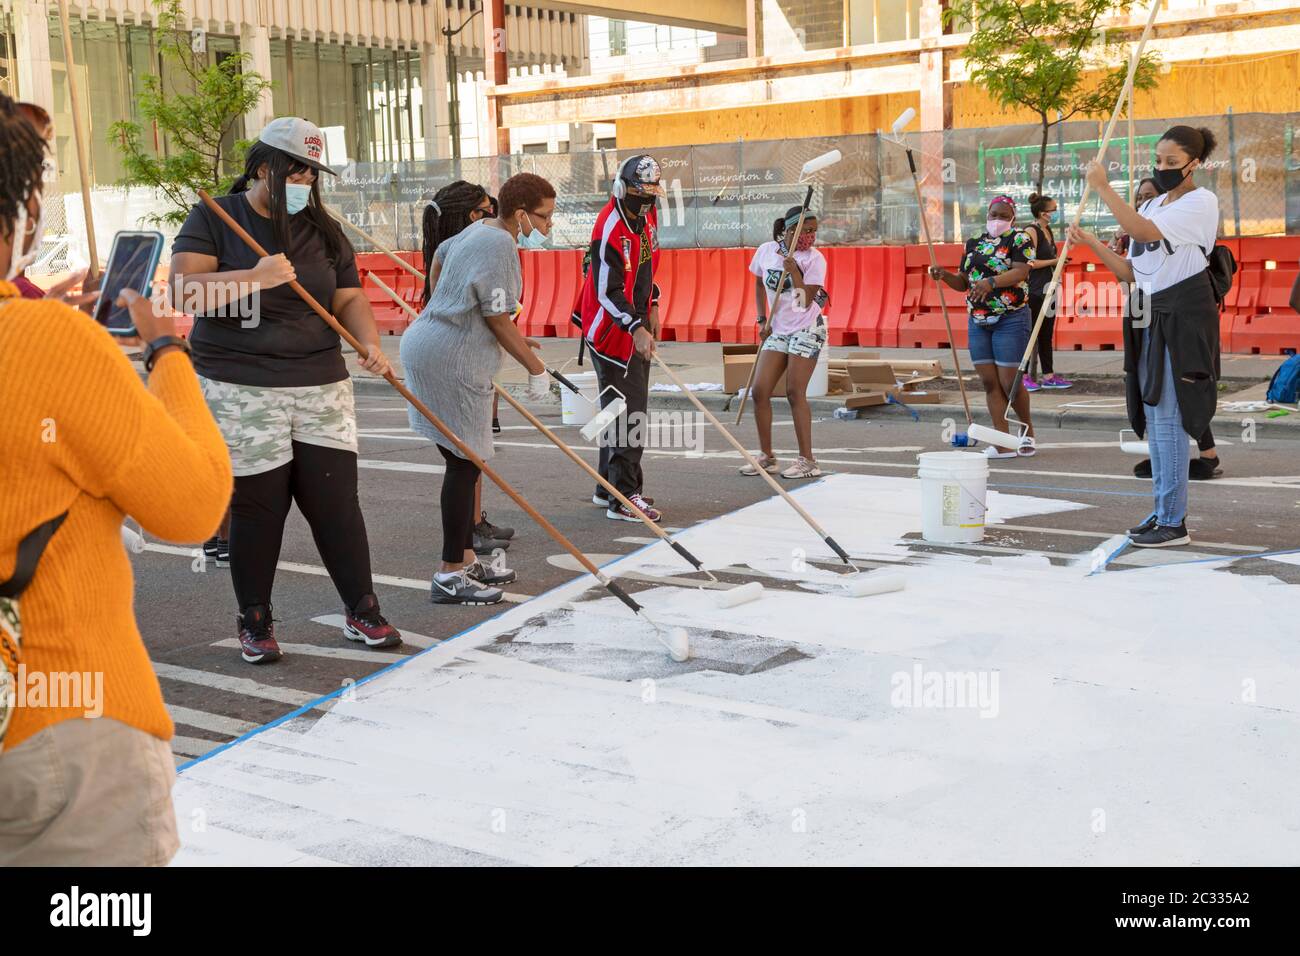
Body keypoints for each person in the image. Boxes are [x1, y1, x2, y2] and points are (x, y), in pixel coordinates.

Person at [0, 92, 231, 864]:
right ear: (23, 210)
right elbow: (192, 506)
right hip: (57, 730)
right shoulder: (48, 343)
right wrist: (168, 354)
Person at [169, 116, 401, 662]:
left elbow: (348, 299)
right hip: (241, 384)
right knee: (258, 508)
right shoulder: (215, 218)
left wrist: (369, 344)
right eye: (294, 172)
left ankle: (361, 608)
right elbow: (184, 293)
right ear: (262, 167)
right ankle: (255, 619)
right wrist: (256, 277)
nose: (304, 183)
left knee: (336, 503)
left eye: (311, 174)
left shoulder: (324, 229)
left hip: (321, 382)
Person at [401, 172, 555, 605]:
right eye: (543, 217)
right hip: (451, 357)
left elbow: (440, 258)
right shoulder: (499, 242)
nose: (547, 227)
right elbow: (498, 316)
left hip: (433, 342)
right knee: (464, 463)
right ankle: (451, 573)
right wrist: (535, 367)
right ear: (521, 214)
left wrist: (440, 307)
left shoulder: (479, 229)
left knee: (462, 461)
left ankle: (465, 560)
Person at [1069, 125, 1223, 547]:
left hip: (1184, 320)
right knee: (1156, 420)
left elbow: (1140, 231)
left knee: (1171, 421)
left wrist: (1102, 188)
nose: (1163, 168)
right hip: (1150, 315)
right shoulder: (1154, 203)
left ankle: (1174, 522)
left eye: (1172, 163)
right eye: (1158, 161)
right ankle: (1162, 512)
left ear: (1194, 164)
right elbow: (1132, 271)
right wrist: (1092, 246)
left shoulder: (1201, 203)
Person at [420, 181, 514, 552]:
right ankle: (467, 530)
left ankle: (474, 521)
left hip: (473, 359)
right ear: (469, 216)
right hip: (458, 364)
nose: (490, 217)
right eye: (483, 211)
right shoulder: (458, 250)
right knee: (466, 457)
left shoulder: (460, 248)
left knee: (472, 456)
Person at [1110, 178, 1222, 481]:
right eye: (1139, 198)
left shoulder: (1185, 217)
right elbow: (1130, 279)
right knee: (1155, 387)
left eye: (1149, 196)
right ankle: (1165, 458)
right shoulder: (1136, 230)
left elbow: (1158, 269)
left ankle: (1201, 455)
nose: (1143, 202)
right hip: (1145, 309)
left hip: (1175, 312)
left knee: (1177, 387)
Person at [576, 154, 664, 522]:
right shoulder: (608, 227)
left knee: (615, 408)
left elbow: (647, 266)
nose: (645, 204)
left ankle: (606, 486)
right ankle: (625, 496)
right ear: (620, 188)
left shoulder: (647, 218)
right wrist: (635, 327)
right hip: (610, 327)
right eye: (638, 195)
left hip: (634, 318)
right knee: (630, 412)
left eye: (651, 196)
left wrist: (653, 303)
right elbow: (606, 291)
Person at [930, 195, 1036, 458]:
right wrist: (944, 276)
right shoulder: (974, 243)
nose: (997, 220)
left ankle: (1027, 432)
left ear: (1012, 217)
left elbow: (1022, 272)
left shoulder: (1020, 239)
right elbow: (963, 282)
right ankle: (1002, 441)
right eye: (993, 214)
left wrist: (992, 282)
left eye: (1002, 215)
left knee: (1009, 381)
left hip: (1010, 317)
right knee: (989, 382)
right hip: (978, 320)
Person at [741, 206, 830, 479]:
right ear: (789, 230)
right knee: (759, 390)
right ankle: (767, 457)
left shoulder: (815, 260)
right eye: (805, 231)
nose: (810, 237)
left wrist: (794, 272)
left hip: (806, 327)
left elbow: (805, 300)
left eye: (814, 231)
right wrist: (761, 318)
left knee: (794, 392)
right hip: (777, 328)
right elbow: (758, 283)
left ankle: (808, 461)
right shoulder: (767, 251)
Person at [1022, 193, 1071, 391]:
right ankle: (1023, 375)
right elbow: (1028, 262)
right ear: (1043, 213)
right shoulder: (1031, 231)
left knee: (1045, 334)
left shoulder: (1047, 229)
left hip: (1049, 288)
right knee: (1029, 334)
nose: (1056, 213)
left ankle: (1049, 375)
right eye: (1053, 210)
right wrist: (1054, 262)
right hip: (1034, 290)